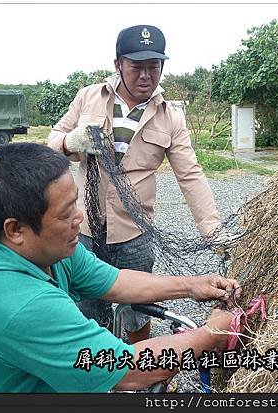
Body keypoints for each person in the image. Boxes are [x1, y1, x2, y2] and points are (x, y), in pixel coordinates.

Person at [0, 143, 241, 393]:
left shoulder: (50, 250)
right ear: (16, 229)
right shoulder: (18, 302)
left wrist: (192, 284)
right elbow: (128, 371)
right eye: (66, 213)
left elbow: (117, 282)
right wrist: (211, 333)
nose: (79, 218)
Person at [48, 25, 226, 344]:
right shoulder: (88, 97)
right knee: (87, 308)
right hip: (85, 231)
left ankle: (142, 372)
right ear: (118, 65)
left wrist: (213, 230)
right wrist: (71, 141)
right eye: (137, 66)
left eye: (153, 67)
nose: (146, 75)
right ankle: (99, 375)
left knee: (140, 309)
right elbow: (51, 141)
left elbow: (191, 174)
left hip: (135, 234)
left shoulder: (169, 117)